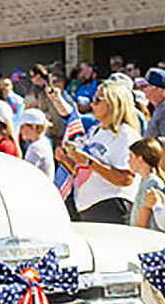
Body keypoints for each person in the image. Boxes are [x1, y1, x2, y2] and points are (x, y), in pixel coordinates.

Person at [59, 82, 141, 225]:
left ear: (112, 104)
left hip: (111, 205)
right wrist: (66, 159)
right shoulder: (96, 131)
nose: (92, 104)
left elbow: (126, 179)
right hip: (88, 205)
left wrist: (89, 162)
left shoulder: (124, 134)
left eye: (97, 100)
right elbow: (85, 172)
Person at [128, 138, 165, 228]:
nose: (128, 161)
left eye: (131, 156)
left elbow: (142, 221)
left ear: (140, 159)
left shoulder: (151, 183)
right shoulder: (145, 181)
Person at [17, 108, 55, 182]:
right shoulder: (44, 142)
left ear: (33, 127)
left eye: (22, 127)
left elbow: (25, 174)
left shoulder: (36, 147)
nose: (20, 130)